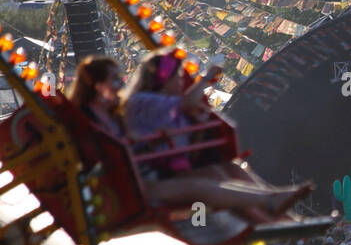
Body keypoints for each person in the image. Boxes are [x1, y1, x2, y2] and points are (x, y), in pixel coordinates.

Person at [74, 55, 307, 225]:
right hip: (133, 182)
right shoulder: (138, 102)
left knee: (224, 170)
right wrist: (207, 78)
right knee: (202, 184)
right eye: (114, 80)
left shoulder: (115, 113)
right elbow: (113, 149)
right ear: (97, 85)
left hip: (151, 168)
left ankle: (281, 216)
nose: (119, 85)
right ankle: (270, 203)